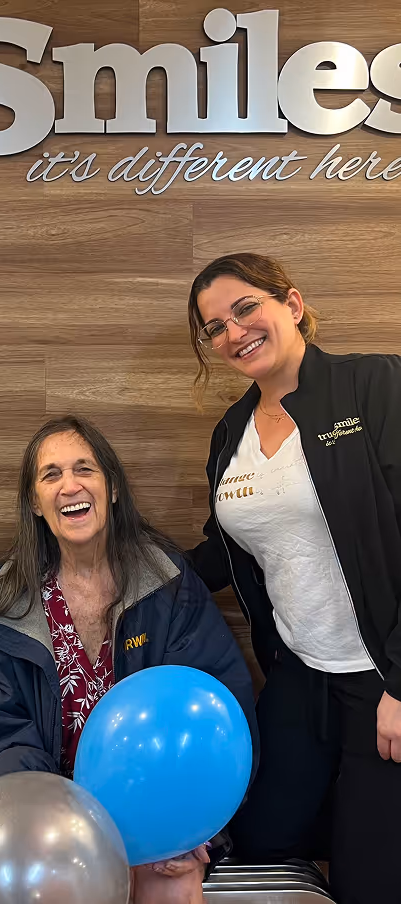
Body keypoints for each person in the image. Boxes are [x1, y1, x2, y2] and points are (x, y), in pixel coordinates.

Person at [0, 415, 258, 904]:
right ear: (35, 502)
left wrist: (188, 826)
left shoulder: (168, 582)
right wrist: (59, 824)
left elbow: (214, 705)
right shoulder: (6, 601)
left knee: (174, 884)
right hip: (53, 821)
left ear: (111, 488)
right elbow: (1, 729)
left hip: (154, 806)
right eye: (51, 475)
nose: (70, 485)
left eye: (84, 469)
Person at [186, 252, 401, 904]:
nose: (234, 332)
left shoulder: (375, 385)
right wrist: (125, 570)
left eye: (245, 308)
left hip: (382, 679)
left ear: (292, 304)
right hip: (300, 678)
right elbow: (224, 551)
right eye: (215, 327)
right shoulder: (231, 432)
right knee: (259, 842)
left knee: (369, 884)